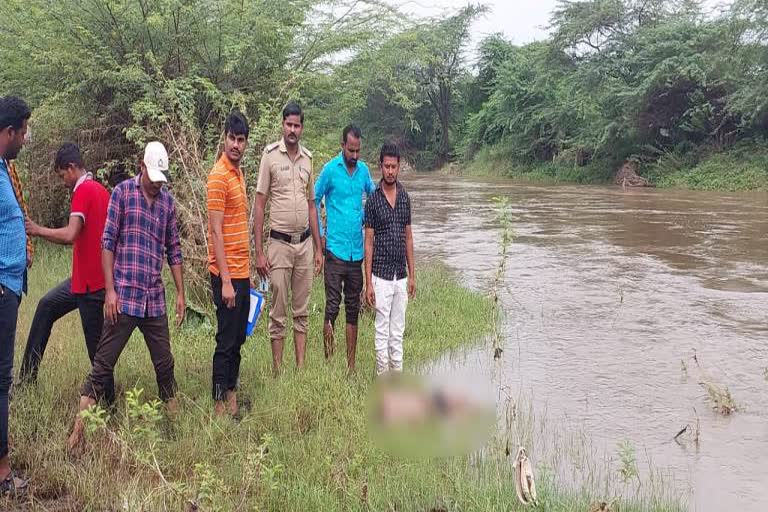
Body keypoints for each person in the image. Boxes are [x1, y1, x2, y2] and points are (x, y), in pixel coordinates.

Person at [68, 141, 185, 453]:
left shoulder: (167, 204)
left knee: (165, 365)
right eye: (154, 176)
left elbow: (173, 249)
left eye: (163, 179)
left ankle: (177, 433)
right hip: (124, 296)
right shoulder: (122, 193)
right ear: (141, 166)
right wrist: (109, 290)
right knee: (102, 364)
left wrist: (181, 294)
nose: (158, 184)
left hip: (154, 298)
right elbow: (107, 242)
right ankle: (77, 435)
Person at [20, 144, 111, 401]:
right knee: (46, 305)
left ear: (72, 168)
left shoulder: (82, 190)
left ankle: (108, 402)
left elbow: (71, 234)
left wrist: (37, 230)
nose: (63, 182)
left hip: (92, 286)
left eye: (62, 175)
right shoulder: (102, 190)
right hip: (85, 280)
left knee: (97, 351)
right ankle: (27, 379)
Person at [253, 102, 322, 375]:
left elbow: (312, 205)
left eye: (297, 125)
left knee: (302, 311)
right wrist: (259, 253)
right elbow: (259, 205)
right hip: (278, 246)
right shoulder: (269, 156)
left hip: (304, 245)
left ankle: (301, 369)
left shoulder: (308, 159)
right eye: (289, 124)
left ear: (302, 127)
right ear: (282, 125)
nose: (293, 130)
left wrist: (318, 248)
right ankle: (278, 371)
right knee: (278, 312)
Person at [314, 125, 375, 371]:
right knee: (331, 305)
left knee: (353, 308)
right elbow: (314, 199)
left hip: (356, 252)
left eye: (358, 151)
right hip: (334, 250)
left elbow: (374, 195)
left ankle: (351, 366)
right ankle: (329, 362)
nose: (355, 155)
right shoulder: (330, 170)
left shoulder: (364, 172)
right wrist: (320, 234)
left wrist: (365, 218)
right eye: (351, 150)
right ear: (342, 146)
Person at [207, 111, 251, 417]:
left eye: (241, 140)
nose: (236, 145)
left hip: (243, 271)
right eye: (232, 138)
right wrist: (225, 281)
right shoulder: (218, 176)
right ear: (224, 138)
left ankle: (232, 395)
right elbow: (215, 231)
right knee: (225, 340)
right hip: (227, 274)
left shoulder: (238, 173)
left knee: (237, 339)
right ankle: (219, 404)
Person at [0, 95, 31, 495]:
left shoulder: (5, 169)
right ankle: (3, 472)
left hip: (11, 286)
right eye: (23, 132)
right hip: (2, 288)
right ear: (9, 133)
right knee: (0, 380)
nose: (25, 138)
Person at [364, 143, 416, 376]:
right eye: (387, 166)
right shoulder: (373, 200)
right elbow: (369, 242)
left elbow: (408, 237)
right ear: (380, 166)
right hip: (380, 275)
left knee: (398, 330)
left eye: (394, 166)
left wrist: (412, 275)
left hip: (401, 275)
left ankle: (397, 377)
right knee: (381, 330)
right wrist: (367, 283)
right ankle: (382, 379)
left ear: (399, 166)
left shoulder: (404, 197)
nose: (390, 171)